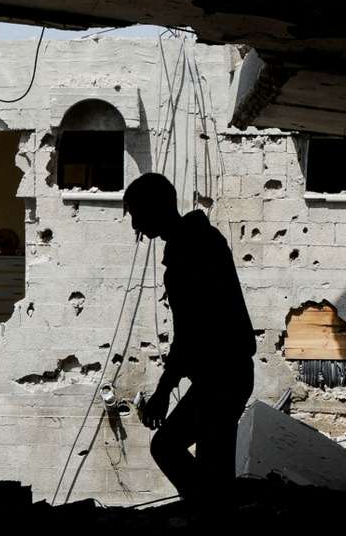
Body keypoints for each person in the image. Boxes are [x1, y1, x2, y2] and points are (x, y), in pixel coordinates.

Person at [123, 172, 255, 507]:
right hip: (228, 373)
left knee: (167, 448)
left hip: (221, 377)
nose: (135, 224)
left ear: (154, 208)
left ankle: (211, 512)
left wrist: (163, 391)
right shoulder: (201, 240)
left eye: (136, 214)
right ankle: (215, 509)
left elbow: (191, 333)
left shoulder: (187, 254)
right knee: (215, 468)